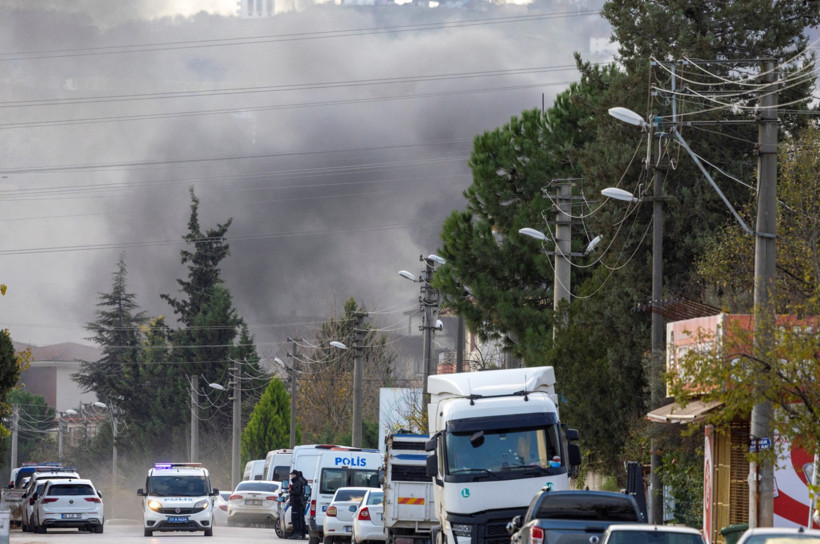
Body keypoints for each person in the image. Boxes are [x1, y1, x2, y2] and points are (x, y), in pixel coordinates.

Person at [289, 470, 307, 539]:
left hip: (297, 503)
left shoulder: (297, 482)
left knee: (295, 519)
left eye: (292, 474)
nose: (291, 476)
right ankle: (302, 534)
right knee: (301, 519)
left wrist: (290, 491)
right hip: (301, 503)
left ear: (295, 475)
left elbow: (297, 492)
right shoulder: (301, 481)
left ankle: (296, 534)